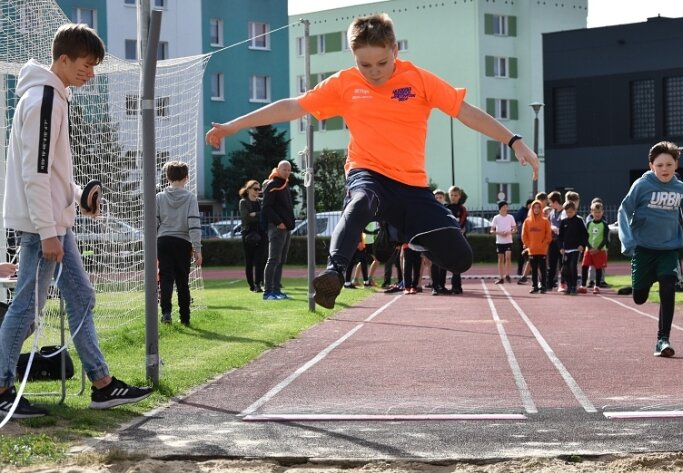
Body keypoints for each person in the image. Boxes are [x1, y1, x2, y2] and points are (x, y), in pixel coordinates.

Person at [205, 13, 538, 309]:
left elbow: (465, 112)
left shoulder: (419, 80)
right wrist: (234, 125)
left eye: (381, 63)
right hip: (368, 172)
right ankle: (335, 272)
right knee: (362, 199)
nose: (374, 72)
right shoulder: (345, 84)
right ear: (354, 57)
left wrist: (513, 139)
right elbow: (292, 106)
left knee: (460, 260)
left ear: (395, 50)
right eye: (365, 65)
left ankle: (398, 233)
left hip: (412, 186)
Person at [0, 24, 152, 418]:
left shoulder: (51, 96)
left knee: (81, 298)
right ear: (63, 60)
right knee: (26, 312)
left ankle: (102, 385)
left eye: (95, 66)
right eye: (86, 65)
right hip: (42, 227)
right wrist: (49, 231)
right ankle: (1, 388)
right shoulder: (45, 98)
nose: (92, 73)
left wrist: (77, 194)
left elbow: (47, 171)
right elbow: (34, 174)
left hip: (52, 222)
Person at [618, 141, 683, 357]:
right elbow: (624, 210)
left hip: (668, 249)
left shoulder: (680, 188)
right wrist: (627, 241)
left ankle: (662, 339)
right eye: (659, 165)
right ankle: (645, 282)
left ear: (676, 165)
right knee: (639, 297)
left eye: (669, 164)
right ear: (651, 166)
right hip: (644, 250)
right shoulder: (642, 185)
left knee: (668, 285)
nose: (664, 169)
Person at [156, 161, 203, 325]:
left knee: (165, 278)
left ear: (167, 177)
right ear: (187, 178)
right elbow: (194, 224)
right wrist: (197, 249)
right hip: (182, 241)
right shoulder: (190, 198)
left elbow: (154, 223)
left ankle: (166, 312)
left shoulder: (159, 197)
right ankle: (185, 317)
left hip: (163, 241)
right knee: (182, 280)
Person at [261, 160, 295, 301]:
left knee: (280, 260)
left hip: (286, 229)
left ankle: (276, 290)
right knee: (273, 259)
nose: (287, 172)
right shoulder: (272, 184)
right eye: (284, 169)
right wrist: (279, 223)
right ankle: (268, 292)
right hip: (276, 228)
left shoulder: (284, 185)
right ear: (278, 169)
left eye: (289, 170)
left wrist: (288, 224)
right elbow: (267, 207)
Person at [238, 180, 267, 293]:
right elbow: (246, 218)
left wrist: (255, 214)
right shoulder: (243, 202)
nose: (257, 191)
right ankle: (251, 285)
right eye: (255, 189)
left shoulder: (261, 202)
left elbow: (266, 215)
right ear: (248, 189)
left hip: (262, 233)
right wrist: (258, 215)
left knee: (261, 260)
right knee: (249, 261)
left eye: (259, 189)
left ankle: (258, 284)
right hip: (248, 234)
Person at [558, 201, 588, 295]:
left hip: (576, 249)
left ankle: (574, 286)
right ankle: (569, 286)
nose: (569, 214)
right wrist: (561, 247)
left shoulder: (579, 221)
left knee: (572, 266)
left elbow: (585, 234)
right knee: (565, 269)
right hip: (566, 249)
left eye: (571, 212)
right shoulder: (564, 222)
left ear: (575, 211)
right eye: (567, 212)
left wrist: (582, 245)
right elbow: (560, 237)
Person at [521, 200, 551, 293]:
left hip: (542, 250)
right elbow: (524, 235)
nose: (537, 209)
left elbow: (548, 236)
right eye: (535, 207)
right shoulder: (527, 221)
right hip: (532, 250)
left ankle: (543, 286)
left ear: (541, 208)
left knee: (543, 269)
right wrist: (529, 245)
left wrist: (543, 244)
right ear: (532, 208)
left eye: (538, 207)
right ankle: (535, 286)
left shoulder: (545, 221)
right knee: (533, 270)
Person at [581, 201, 609, 294]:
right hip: (589, 250)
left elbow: (605, 238)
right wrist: (589, 247)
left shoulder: (604, 225)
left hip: (600, 250)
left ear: (602, 212)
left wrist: (598, 248)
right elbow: (585, 237)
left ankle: (597, 286)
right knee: (584, 266)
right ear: (591, 212)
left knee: (598, 268)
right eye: (595, 212)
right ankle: (583, 286)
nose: (597, 214)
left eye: (599, 212)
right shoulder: (589, 224)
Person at [490, 201, 517, 284]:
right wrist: (499, 233)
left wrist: (509, 232)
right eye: (504, 206)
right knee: (500, 259)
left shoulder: (510, 217)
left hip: (508, 240)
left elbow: (515, 229)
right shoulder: (496, 218)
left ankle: (507, 274)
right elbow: (491, 230)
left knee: (508, 257)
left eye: (507, 206)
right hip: (500, 241)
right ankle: (501, 277)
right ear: (500, 208)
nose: (506, 208)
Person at [546, 191, 564, 291]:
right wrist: (552, 227)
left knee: (562, 264)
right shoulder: (552, 213)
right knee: (551, 264)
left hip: (562, 242)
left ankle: (562, 283)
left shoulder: (565, 212)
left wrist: (559, 229)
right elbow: (548, 223)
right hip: (553, 241)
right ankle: (549, 284)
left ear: (555, 201)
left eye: (550, 202)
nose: (550, 204)